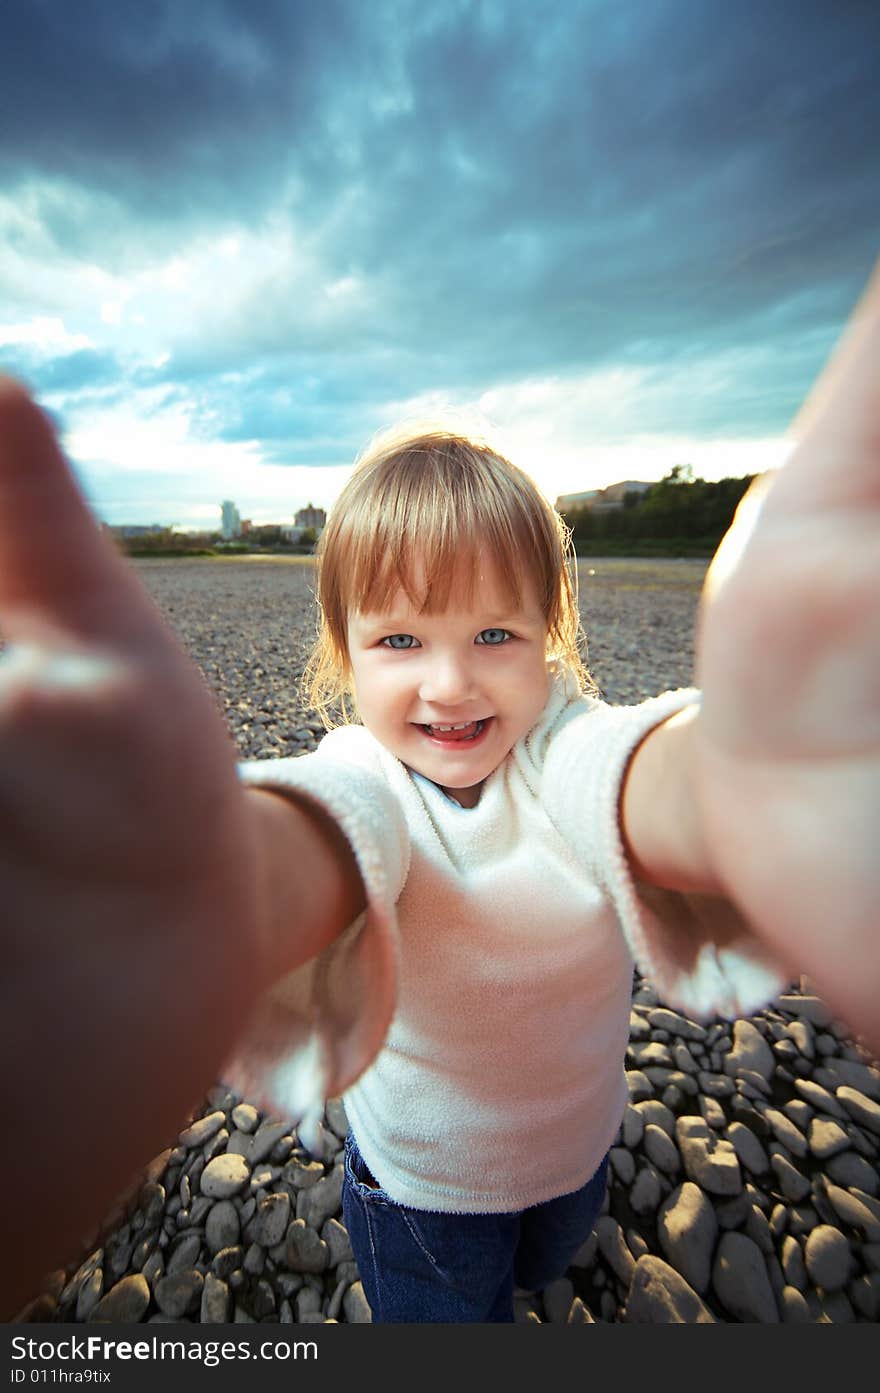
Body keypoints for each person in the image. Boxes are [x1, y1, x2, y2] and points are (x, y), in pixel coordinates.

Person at [0, 260, 878, 1321]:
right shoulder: (365, 775)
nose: (451, 683)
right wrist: (219, 883)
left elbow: (637, 781)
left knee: (547, 1256)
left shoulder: (561, 747)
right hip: (419, 1185)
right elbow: (320, 838)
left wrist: (730, 787)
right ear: (348, 652)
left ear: (548, 641)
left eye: (494, 635)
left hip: (574, 1146)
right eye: (402, 639)